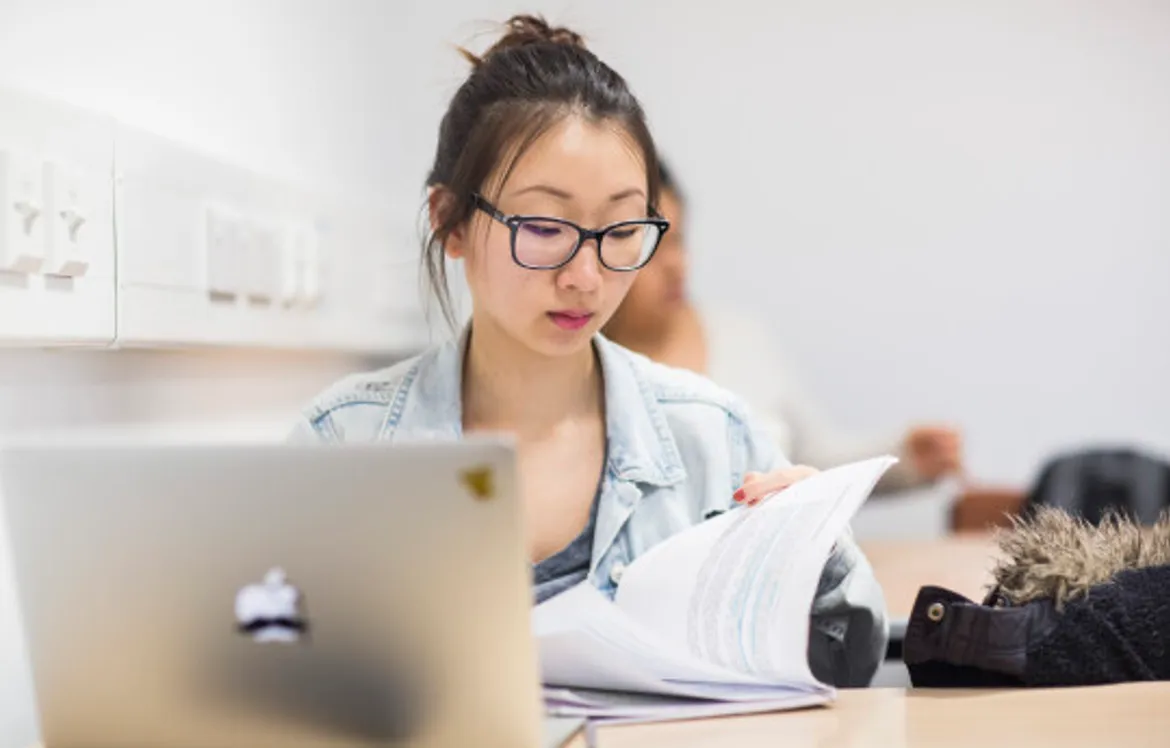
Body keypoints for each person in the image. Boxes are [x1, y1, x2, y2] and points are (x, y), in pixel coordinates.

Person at [290, 15, 887, 687]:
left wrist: (814, 548)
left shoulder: (713, 438)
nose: (586, 276)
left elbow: (850, 656)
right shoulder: (344, 443)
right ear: (449, 221)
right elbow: (257, 673)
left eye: (621, 229)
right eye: (545, 227)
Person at [603, 162, 962, 496]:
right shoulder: (584, 371)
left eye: (679, 241)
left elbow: (812, 461)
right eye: (654, 247)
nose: (676, 266)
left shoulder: (741, 338)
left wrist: (903, 460)